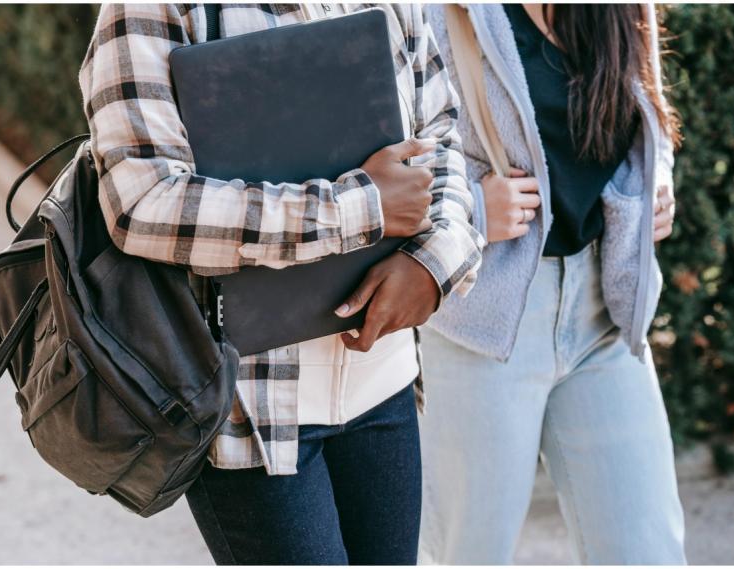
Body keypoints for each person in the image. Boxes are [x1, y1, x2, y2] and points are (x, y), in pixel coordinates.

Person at [78, 3, 482, 564]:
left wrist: (435, 263)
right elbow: (141, 203)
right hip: (250, 404)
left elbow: (439, 135)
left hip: (383, 383)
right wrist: (356, 208)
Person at [419, 3, 685, 564]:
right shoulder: (441, 11)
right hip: (483, 322)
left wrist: (656, 189)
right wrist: (467, 205)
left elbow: (647, 119)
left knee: (648, 550)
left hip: (604, 313)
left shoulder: (619, 9)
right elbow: (394, 145)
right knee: (471, 552)